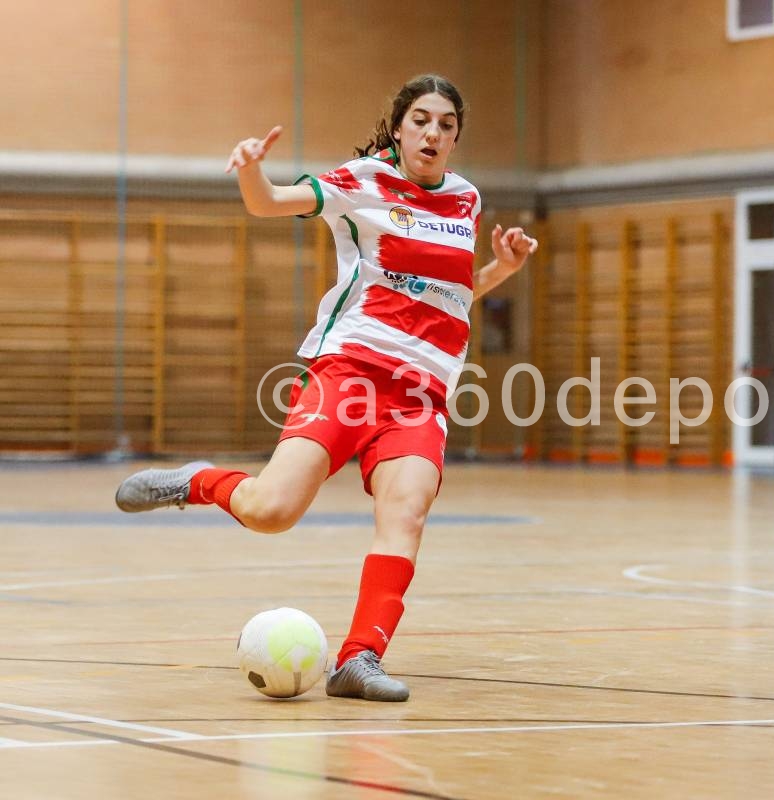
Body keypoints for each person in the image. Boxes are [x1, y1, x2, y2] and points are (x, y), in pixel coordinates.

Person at [115, 74, 537, 701]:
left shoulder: (466, 202)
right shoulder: (362, 180)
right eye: (421, 119)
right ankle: (198, 481)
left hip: (422, 393)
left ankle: (358, 659)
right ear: (399, 127)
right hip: (351, 371)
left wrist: (502, 269)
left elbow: (448, 295)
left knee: (407, 514)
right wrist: (251, 171)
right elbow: (268, 203)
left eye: (447, 124)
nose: (433, 132)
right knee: (272, 512)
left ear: (455, 139)